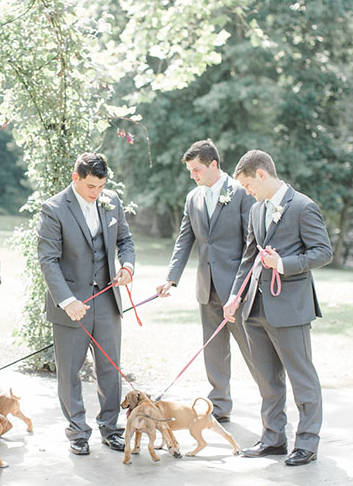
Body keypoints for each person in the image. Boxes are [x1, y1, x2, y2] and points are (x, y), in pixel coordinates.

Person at [224, 149, 332, 466]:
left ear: (261, 174)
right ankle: (273, 438)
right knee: (267, 380)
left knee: (302, 378)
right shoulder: (256, 210)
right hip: (255, 308)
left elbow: (323, 252)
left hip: (290, 308)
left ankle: (307, 442)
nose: (247, 192)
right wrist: (235, 296)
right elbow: (248, 258)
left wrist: (283, 264)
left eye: (247, 185)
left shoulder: (303, 207)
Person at [37, 152, 136, 456]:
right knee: (69, 371)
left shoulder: (111, 201)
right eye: (91, 186)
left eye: (101, 187)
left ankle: (111, 428)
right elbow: (48, 260)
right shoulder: (54, 208)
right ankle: (78, 432)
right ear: (75, 178)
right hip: (71, 303)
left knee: (110, 367)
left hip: (107, 298)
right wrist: (67, 301)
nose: (97, 193)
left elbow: (125, 241)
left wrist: (127, 266)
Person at [156, 139, 257, 423]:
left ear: (214, 164)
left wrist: (242, 288)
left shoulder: (240, 192)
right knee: (214, 350)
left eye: (197, 169)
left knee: (253, 350)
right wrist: (171, 279)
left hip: (237, 289)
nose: (193, 175)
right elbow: (184, 240)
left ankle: (273, 405)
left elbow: (251, 242)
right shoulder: (193, 198)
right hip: (206, 287)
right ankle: (220, 404)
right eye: (190, 171)